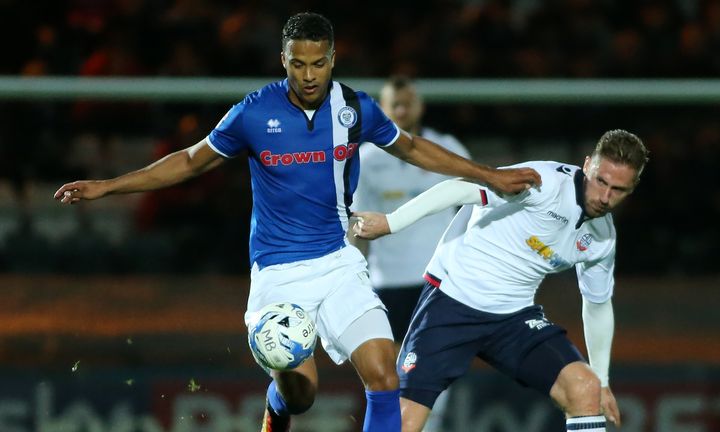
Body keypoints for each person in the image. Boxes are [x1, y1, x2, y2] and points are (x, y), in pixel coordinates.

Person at [53, 12, 541, 432]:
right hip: (278, 275)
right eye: (299, 63)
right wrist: (106, 186)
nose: (309, 75)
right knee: (302, 395)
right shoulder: (252, 112)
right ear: (282, 60)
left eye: (319, 62)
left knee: (385, 372)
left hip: (338, 263)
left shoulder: (354, 109)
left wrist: (488, 176)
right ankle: (275, 406)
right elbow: (188, 160)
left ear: (333, 58)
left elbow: (411, 147)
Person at [353, 129, 649, 432]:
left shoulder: (602, 238)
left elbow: (597, 304)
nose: (605, 197)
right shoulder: (542, 183)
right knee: (403, 422)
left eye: (618, 190)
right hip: (452, 302)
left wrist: (603, 380)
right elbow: (459, 189)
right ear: (587, 165)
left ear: (632, 188)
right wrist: (392, 222)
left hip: (513, 317)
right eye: (601, 181)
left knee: (585, 388)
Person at [351, 75, 469, 431]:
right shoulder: (367, 158)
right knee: (387, 375)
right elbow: (355, 223)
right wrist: (352, 274)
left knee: (431, 367)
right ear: (383, 110)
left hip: (436, 280)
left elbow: (477, 203)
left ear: (420, 106)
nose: (401, 110)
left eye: (407, 102)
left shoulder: (447, 147)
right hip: (385, 282)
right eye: (394, 104)